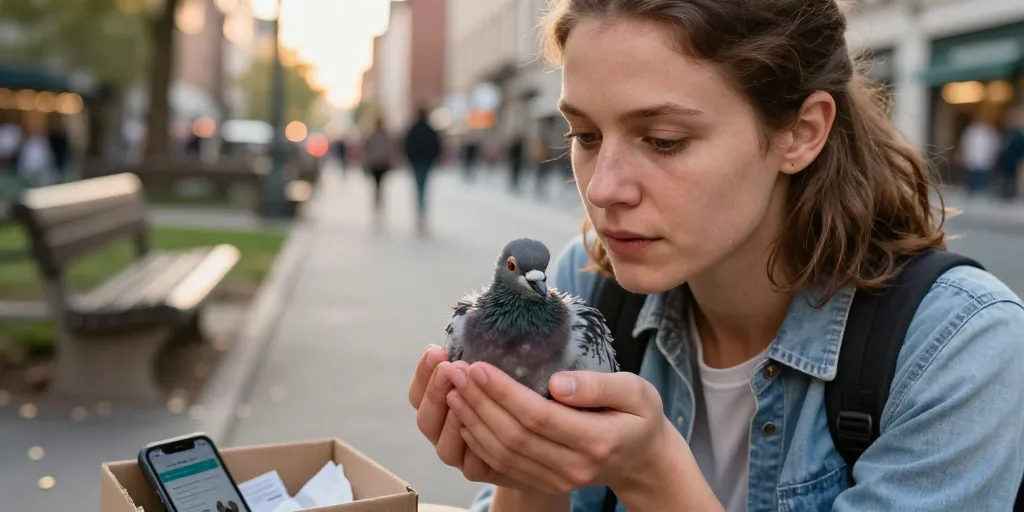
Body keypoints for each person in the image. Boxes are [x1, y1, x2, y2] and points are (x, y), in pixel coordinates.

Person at [408, 1, 1024, 511]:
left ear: (801, 132)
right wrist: (526, 466)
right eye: (585, 136)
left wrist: (653, 477)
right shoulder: (582, 288)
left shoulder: (959, 350)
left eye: (664, 140)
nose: (601, 189)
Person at [403, 106, 442, 235]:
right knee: (423, 186)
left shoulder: (413, 129)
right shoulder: (430, 129)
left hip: (417, 161)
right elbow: (436, 145)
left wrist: (410, 158)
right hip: (426, 161)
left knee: (419, 186)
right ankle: (422, 212)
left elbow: (407, 145)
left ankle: (420, 212)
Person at [958, 113, 1001, 198]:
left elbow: (994, 144)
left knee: (983, 175)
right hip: (972, 156)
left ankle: (982, 190)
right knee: (972, 175)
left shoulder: (990, 131)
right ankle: (972, 190)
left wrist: (992, 155)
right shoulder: (970, 130)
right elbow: (964, 143)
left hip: (984, 158)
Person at [362, 115, 393, 230]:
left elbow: (367, 150)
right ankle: (379, 202)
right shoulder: (384, 136)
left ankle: (377, 203)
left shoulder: (372, 135)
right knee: (379, 185)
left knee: (377, 185)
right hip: (381, 164)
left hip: (376, 164)